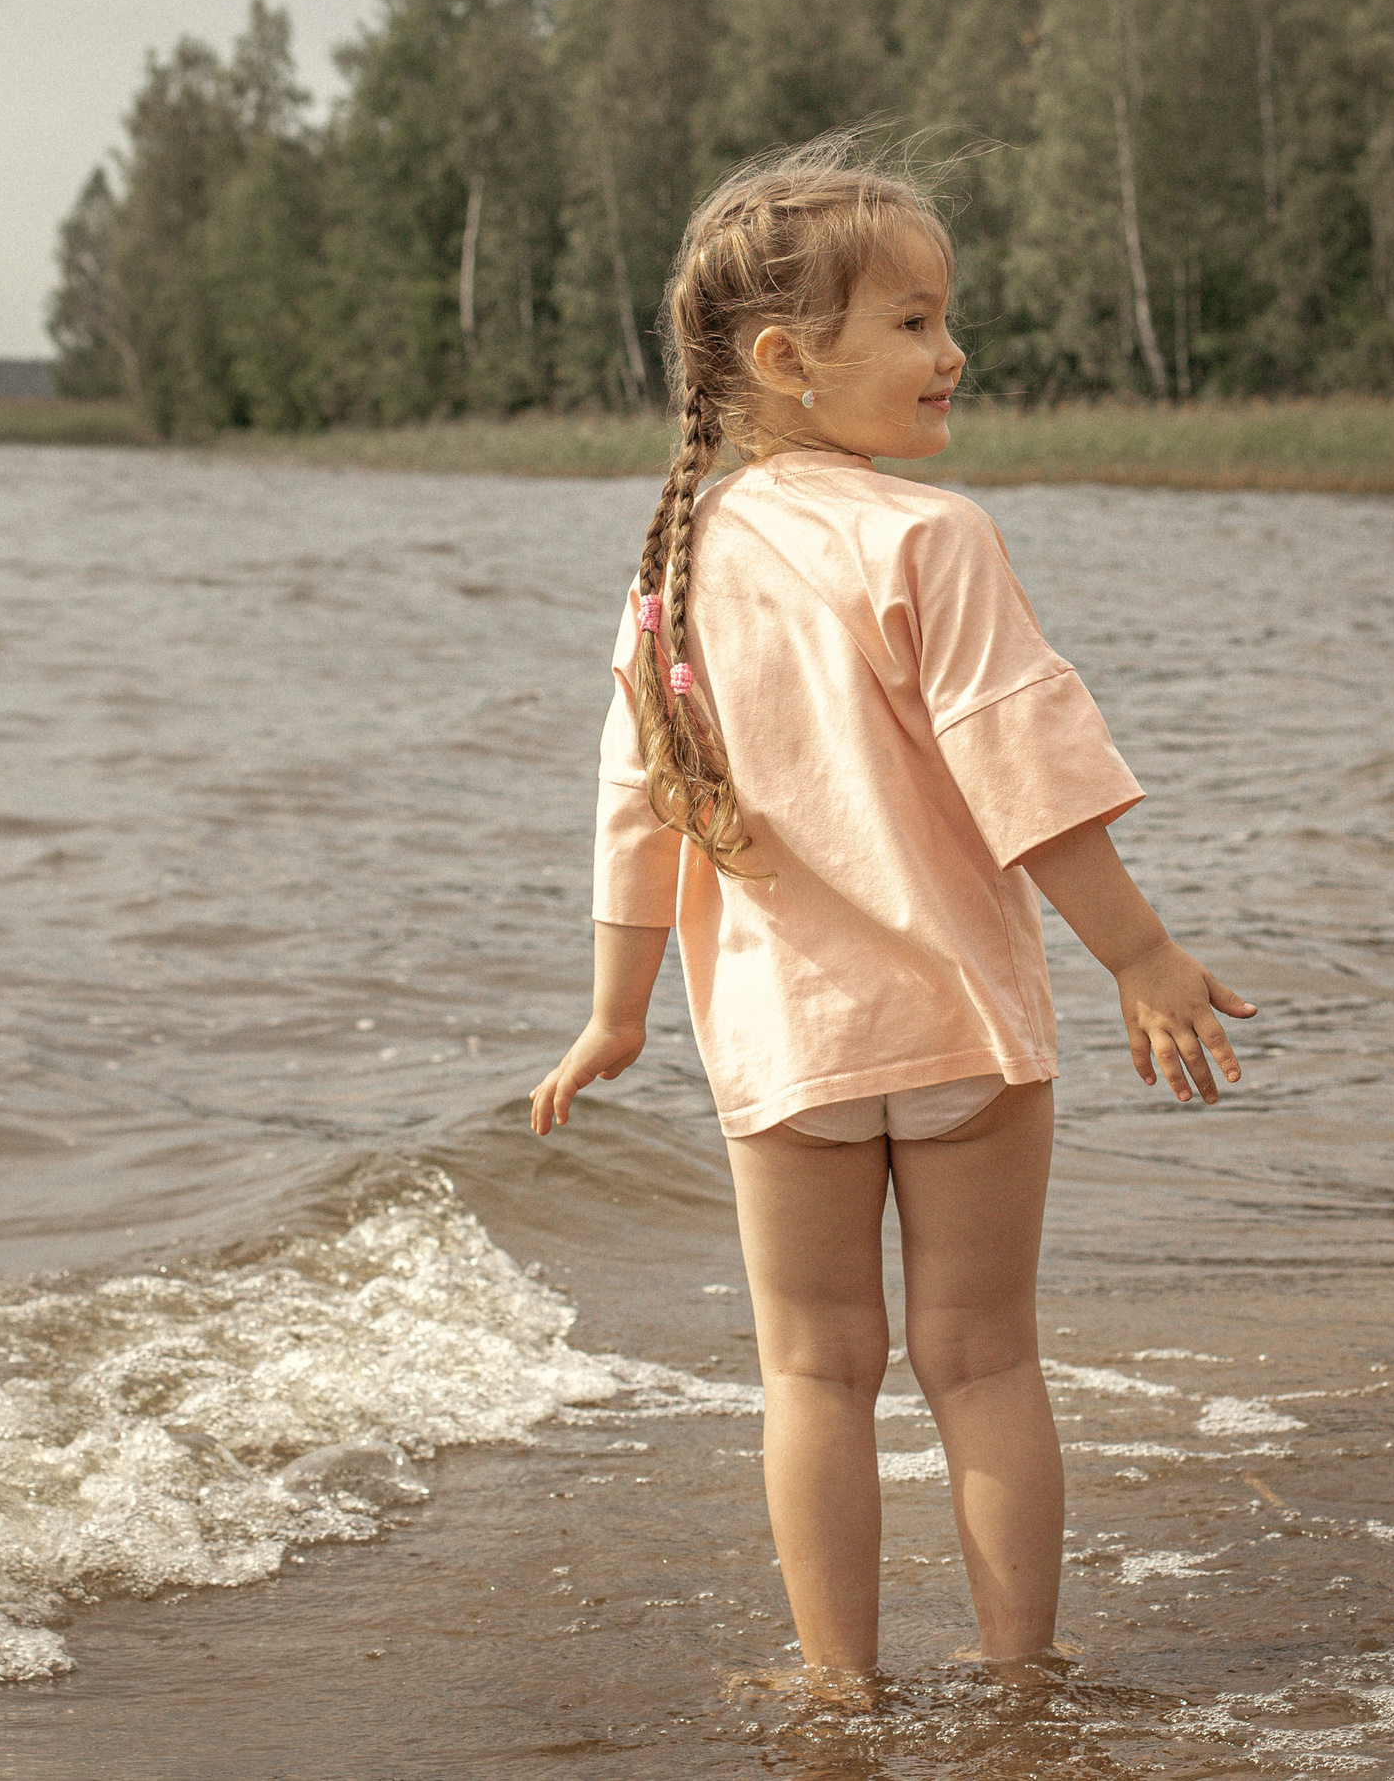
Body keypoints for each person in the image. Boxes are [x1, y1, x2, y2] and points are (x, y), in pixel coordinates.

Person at [528, 138, 1254, 1679]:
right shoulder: (935, 537)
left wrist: (615, 1014)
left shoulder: (672, 572)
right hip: (965, 1030)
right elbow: (1029, 771)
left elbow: (636, 805)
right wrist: (1142, 953)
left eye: (945, 318)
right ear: (790, 361)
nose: (954, 353)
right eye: (916, 322)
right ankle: (1017, 1683)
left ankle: (839, 1697)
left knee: (814, 1374)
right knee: (984, 1364)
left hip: (787, 1048)